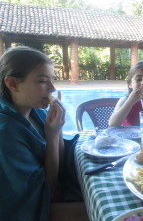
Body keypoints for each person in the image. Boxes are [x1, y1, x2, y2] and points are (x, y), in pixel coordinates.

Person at [0, 46, 88, 221]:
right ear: (12, 83)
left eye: (52, 80)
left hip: (53, 192)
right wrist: (52, 135)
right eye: (42, 81)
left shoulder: (35, 112)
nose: (52, 88)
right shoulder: (6, 132)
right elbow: (46, 189)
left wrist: (57, 129)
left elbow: (60, 164)